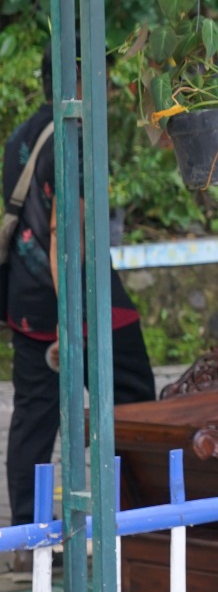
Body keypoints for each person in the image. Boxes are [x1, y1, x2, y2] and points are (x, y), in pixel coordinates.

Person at [5, 51, 156, 544]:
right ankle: (137, 520)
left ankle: (27, 541)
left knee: (34, 414)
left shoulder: (22, 136)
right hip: (77, 299)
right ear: (83, 82)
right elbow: (62, 235)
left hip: (26, 300)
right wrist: (73, 319)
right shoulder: (76, 139)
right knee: (134, 397)